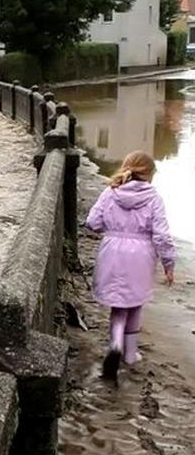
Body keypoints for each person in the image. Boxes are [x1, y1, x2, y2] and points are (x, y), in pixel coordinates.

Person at [85, 151, 176, 382]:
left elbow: (92, 223)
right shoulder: (154, 198)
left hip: (112, 251)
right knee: (134, 303)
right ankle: (130, 353)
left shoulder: (110, 192)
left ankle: (115, 345)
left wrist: (112, 228)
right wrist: (168, 263)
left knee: (118, 304)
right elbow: (162, 236)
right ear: (149, 174)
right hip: (141, 254)